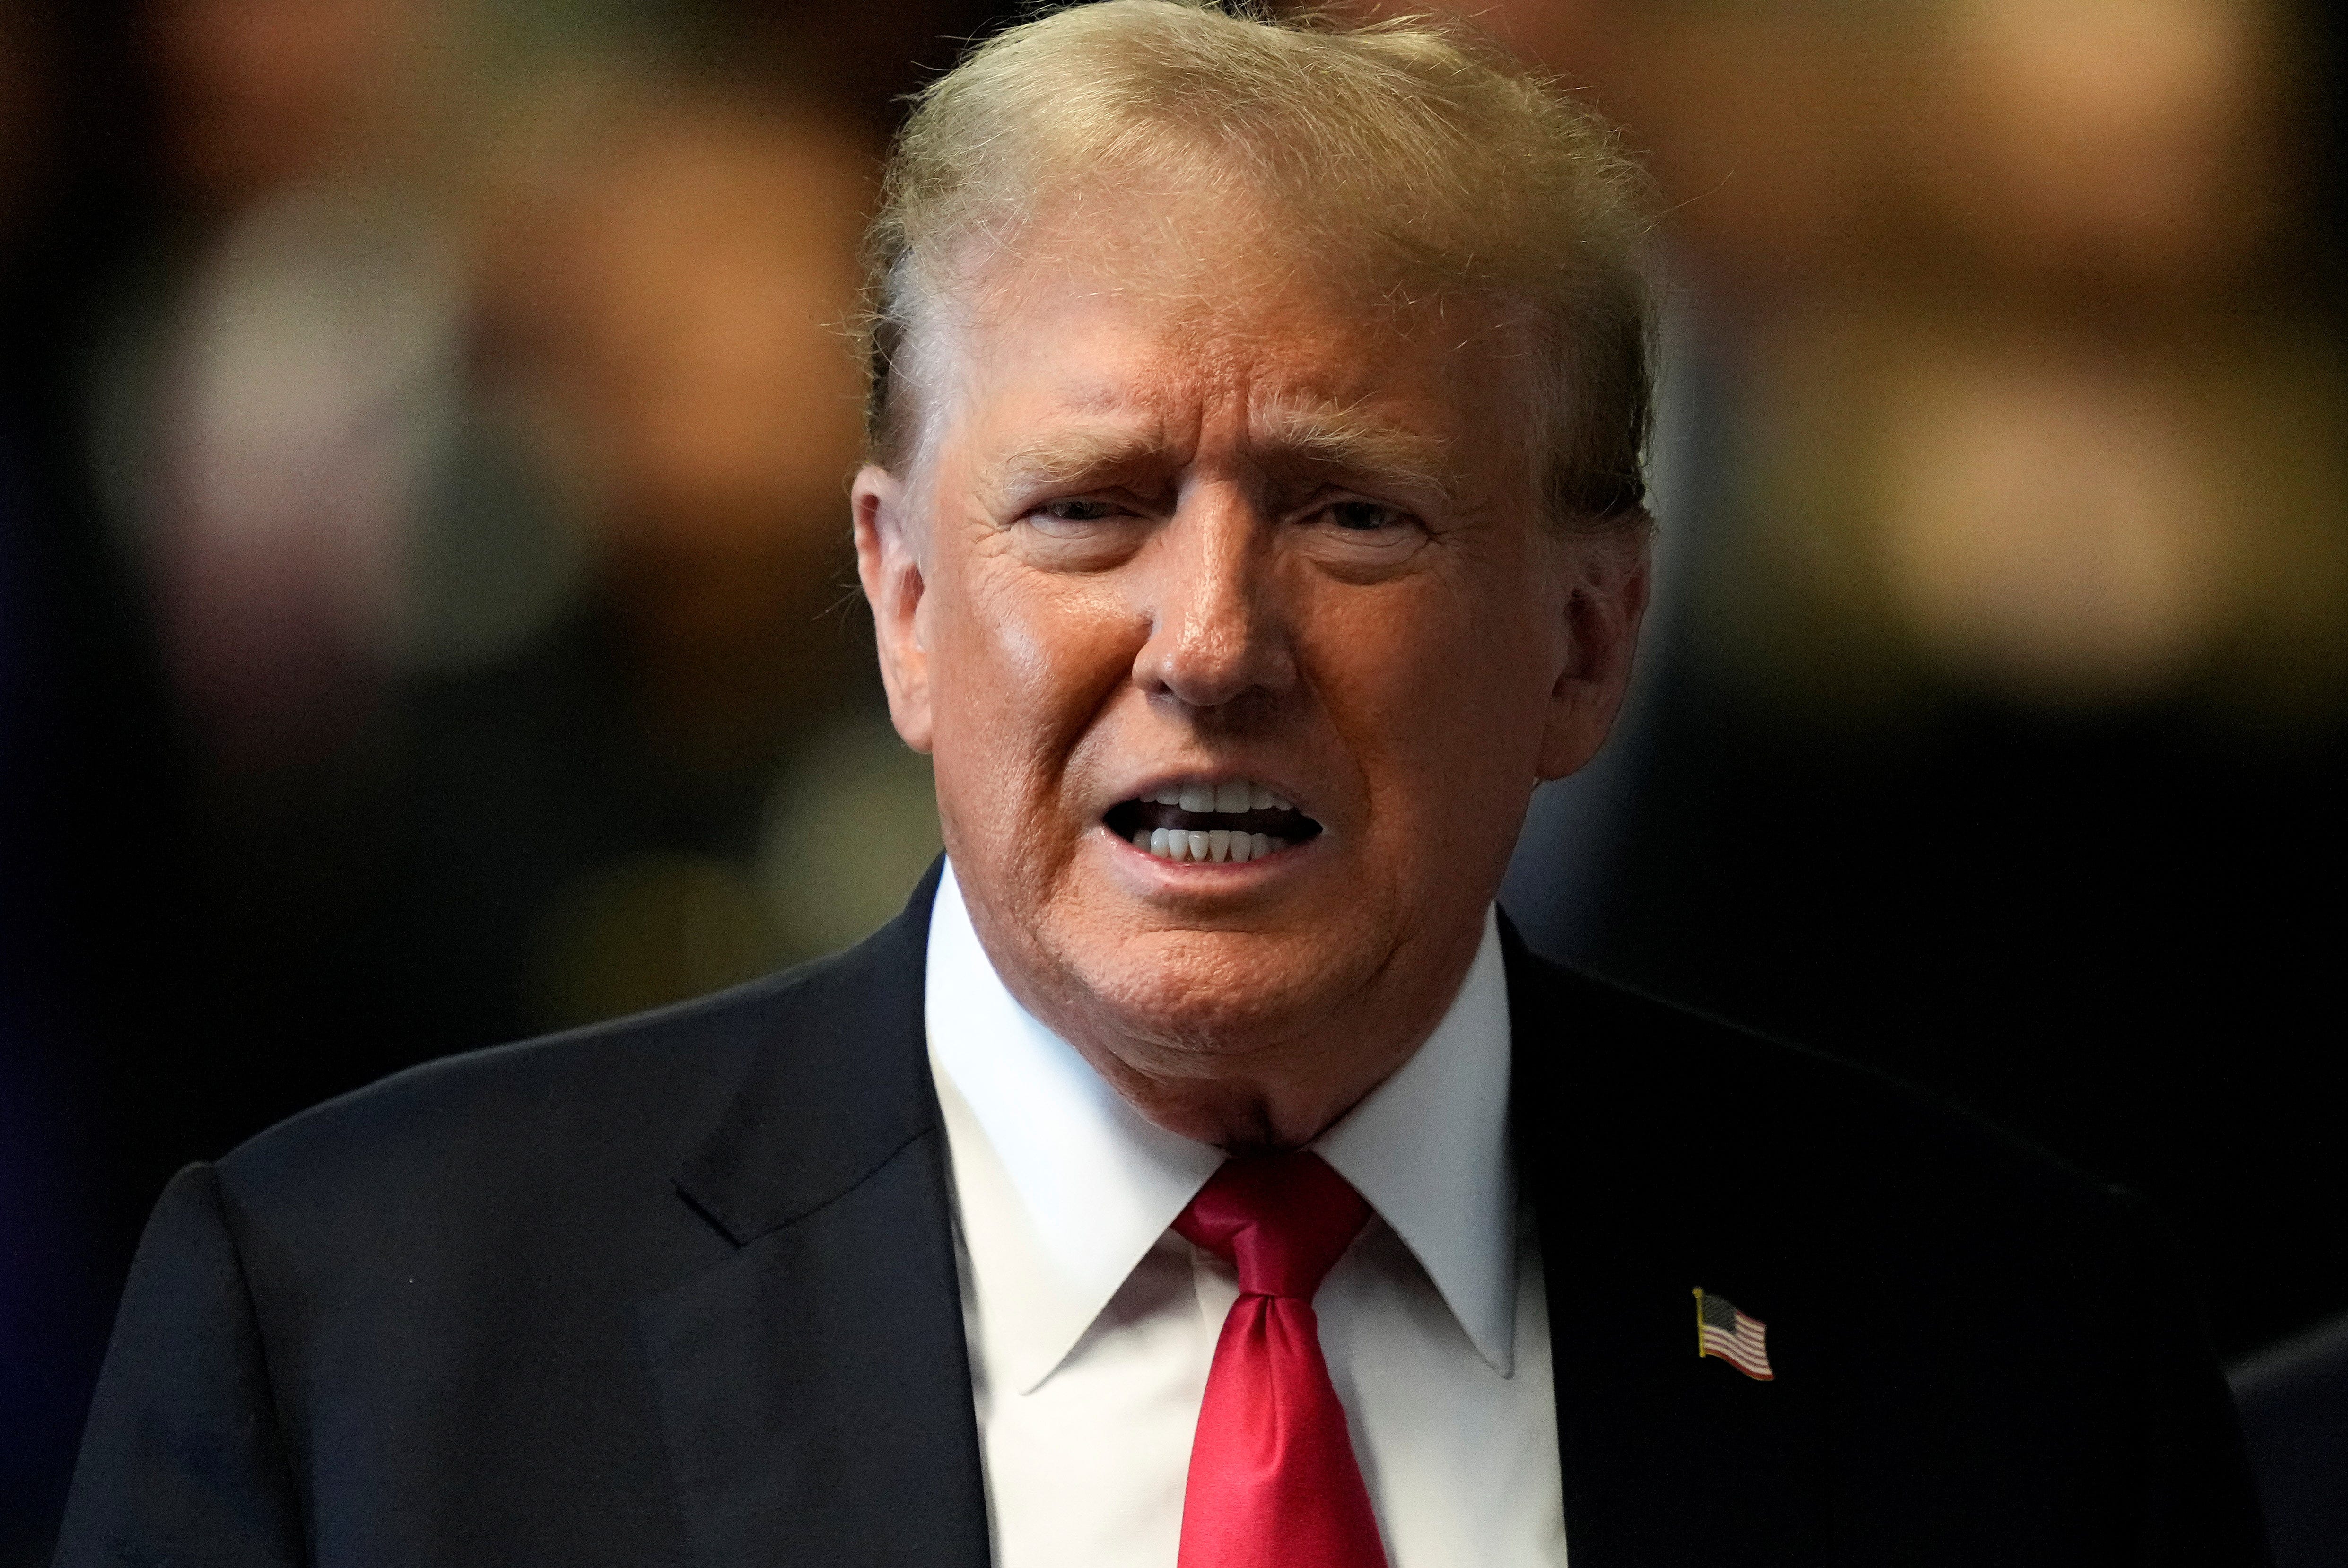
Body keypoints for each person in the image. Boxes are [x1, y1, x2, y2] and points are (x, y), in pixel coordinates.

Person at [52, 4, 2266, 1565]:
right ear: (905, 603)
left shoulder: (2021, 1354)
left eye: (1352, 512)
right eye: (1091, 507)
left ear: (1589, 635)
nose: (1210, 641)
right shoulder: (356, 1334)